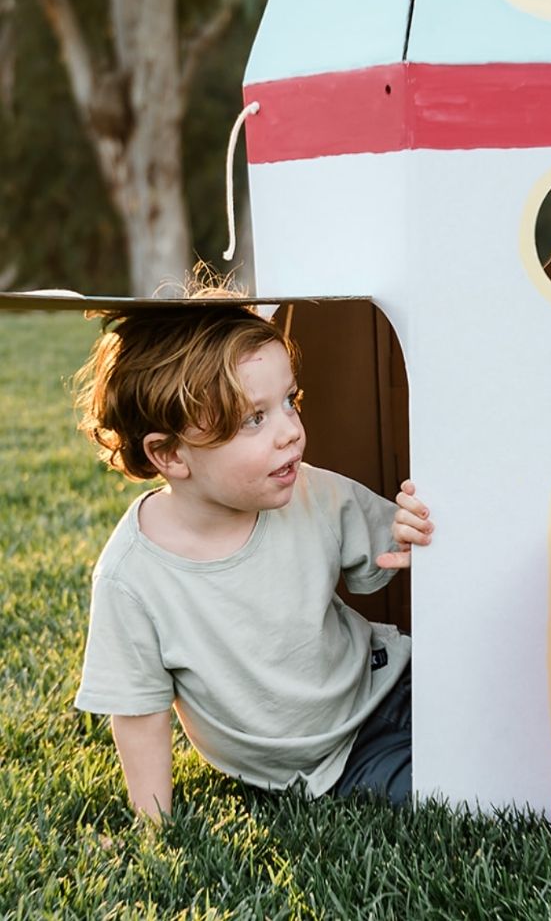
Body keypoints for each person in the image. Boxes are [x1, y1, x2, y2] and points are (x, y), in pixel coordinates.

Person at [73, 298, 432, 821]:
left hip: (391, 680)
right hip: (333, 761)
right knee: (459, 789)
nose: (289, 430)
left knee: (505, 717)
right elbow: (139, 710)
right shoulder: (133, 577)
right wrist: (155, 826)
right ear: (171, 455)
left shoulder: (313, 492)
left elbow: (392, 545)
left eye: (290, 400)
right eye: (254, 419)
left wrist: (409, 531)